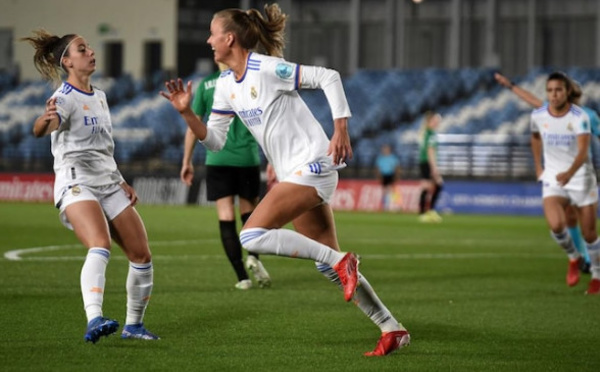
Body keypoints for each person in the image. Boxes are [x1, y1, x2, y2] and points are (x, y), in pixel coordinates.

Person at [161, 4, 410, 356]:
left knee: (251, 235)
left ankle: (344, 261)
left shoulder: (266, 68)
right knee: (326, 263)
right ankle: (391, 327)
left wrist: (340, 129)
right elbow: (214, 141)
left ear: (229, 38)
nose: (208, 39)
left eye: (213, 33)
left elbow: (329, 76)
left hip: (315, 163)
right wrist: (188, 113)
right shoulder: (224, 88)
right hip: (295, 172)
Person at [22, 29, 159, 342]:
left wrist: (121, 180)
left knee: (141, 255)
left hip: (108, 183)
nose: (91, 52)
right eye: (82, 49)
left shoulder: (100, 96)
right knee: (100, 244)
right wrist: (45, 120)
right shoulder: (63, 99)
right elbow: (42, 128)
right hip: (76, 180)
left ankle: (133, 326)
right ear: (67, 62)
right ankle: (94, 318)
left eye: (89, 48)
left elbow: (103, 147)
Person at [495, 71, 596, 273]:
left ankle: (587, 258)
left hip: (580, 173)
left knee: (582, 221)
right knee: (568, 217)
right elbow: (532, 100)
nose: (555, 95)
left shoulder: (586, 116)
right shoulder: (550, 112)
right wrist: (511, 86)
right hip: (560, 174)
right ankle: (582, 257)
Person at [182, 63, 271, 290]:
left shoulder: (206, 84)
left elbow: (194, 125)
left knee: (225, 217)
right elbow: (265, 122)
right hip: (247, 158)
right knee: (251, 214)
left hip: (217, 159)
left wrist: (186, 161)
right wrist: (272, 159)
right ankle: (254, 257)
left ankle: (242, 277)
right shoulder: (250, 80)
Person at [529, 71, 600, 294]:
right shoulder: (538, 116)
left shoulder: (580, 117)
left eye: (558, 90)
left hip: (581, 177)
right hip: (553, 177)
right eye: (550, 90)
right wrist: (538, 167)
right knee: (556, 225)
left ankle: (597, 274)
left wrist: (570, 173)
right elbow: (535, 137)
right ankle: (573, 257)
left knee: (589, 233)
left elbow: (583, 151)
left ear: (567, 91)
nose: (554, 95)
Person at [418, 111, 443, 222]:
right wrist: (434, 167)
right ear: (429, 121)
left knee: (431, 186)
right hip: (428, 162)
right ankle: (426, 213)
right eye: (435, 120)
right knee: (434, 185)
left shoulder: (426, 133)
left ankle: (426, 212)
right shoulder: (431, 134)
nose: (437, 122)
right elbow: (430, 151)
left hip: (424, 162)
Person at [374, 143, 400, 211]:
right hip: (384, 175)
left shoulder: (393, 158)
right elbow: (378, 168)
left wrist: (396, 176)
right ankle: (385, 206)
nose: (385, 150)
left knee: (392, 190)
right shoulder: (380, 158)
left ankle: (395, 204)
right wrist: (379, 176)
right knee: (385, 191)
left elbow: (396, 167)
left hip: (391, 175)